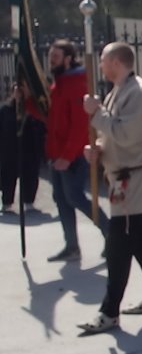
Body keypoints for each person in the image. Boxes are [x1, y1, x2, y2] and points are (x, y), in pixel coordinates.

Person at [78, 42, 142, 334]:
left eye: (103, 61)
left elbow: (128, 134)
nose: (100, 66)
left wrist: (96, 113)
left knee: (118, 243)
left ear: (115, 62)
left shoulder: (140, 93)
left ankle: (109, 311)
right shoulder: (118, 91)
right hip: (123, 175)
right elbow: (113, 134)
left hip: (134, 178)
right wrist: (98, 148)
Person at [32, 39, 110, 262]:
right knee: (61, 199)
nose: (51, 61)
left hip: (73, 155)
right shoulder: (59, 84)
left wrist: (67, 156)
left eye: (55, 57)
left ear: (68, 59)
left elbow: (80, 125)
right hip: (57, 153)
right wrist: (27, 102)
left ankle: (111, 234)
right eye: (50, 57)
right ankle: (72, 246)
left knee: (74, 197)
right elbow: (52, 118)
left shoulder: (75, 83)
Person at [1, 85, 45, 214]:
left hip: (29, 148)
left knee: (30, 175)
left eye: (22, 91)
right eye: (17, 91)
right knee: (8, 176)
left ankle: (29, 202)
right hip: (9, 149)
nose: (19, 94)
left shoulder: (33, 109)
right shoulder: (5, 110)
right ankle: (7, 203)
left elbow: (41, 127)